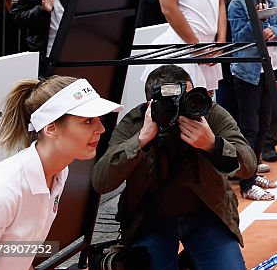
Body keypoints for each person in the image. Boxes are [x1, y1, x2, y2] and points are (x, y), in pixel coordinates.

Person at [92, 65, 254, 269]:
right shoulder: (136, 121)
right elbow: (101, 181)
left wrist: (213, 144)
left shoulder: (208, 113)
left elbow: (248, 166)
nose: (178, 110)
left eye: (185, 100)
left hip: (207, 214)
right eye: (168, 104)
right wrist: (141, 140)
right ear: (149, 104)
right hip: (151, 219)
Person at [0, 77, 120, 270]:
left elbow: (19, 251)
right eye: (87, 121)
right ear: (51, 128)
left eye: (98, 120)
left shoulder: (59, 172)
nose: (100, 129)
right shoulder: (1, 192)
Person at [226, 0, 277, 201]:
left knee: (265, 123)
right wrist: (258, 20)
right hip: (248, 71)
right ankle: (246, 181)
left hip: (272, 68)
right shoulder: (238, 4)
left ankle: (253, 170)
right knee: (249, 126)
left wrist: (274, 29)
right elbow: (239, 37)